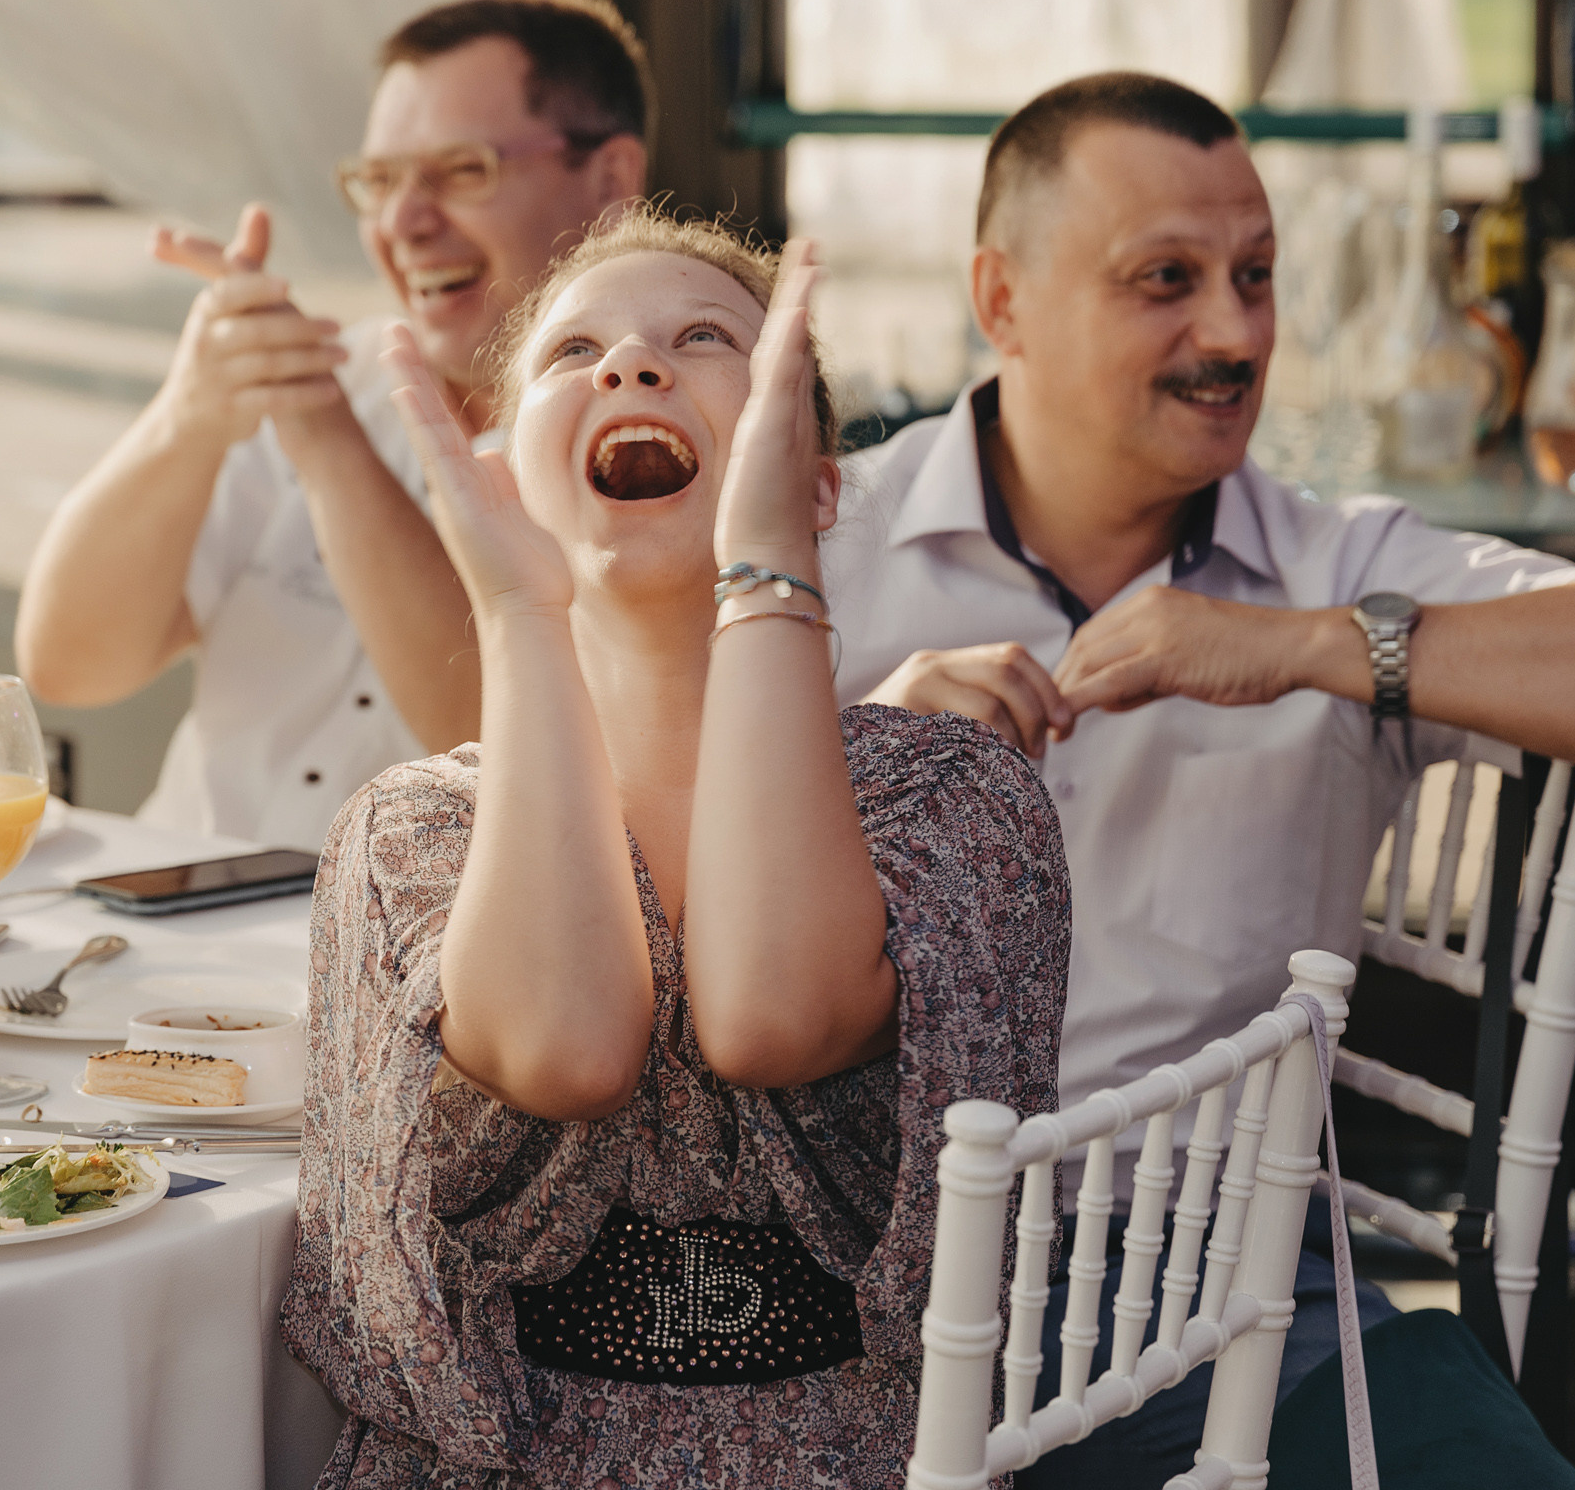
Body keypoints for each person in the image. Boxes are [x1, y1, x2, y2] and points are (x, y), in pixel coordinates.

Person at [821, 72, 1575, 1484]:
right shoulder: (820, 555)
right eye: (1167, 279)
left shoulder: (1332, 572)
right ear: (1004, 298)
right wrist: (864, 755)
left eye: (1256, 276)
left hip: (1215, 1293)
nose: (1234, 334)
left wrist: (1311, 649)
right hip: (845, 1283)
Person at [281, 213, 1071, 1488]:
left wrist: (766, 566)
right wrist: (520, 611)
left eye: (704, 341)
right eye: (573, 351)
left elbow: (770, 1017)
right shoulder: (409, 831)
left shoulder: (951, 794)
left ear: (819, 478)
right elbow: (568, 1045)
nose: (632, 366)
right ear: (505, 476)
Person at [16, 0, 652, 848]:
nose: (404, 222)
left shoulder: (656, 443)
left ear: (610, 181)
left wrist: (325, 439)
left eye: (463, 170)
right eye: (379, 181)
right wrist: (189, 419)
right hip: (170, 913)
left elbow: (494, 736)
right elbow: (69, 665)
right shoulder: (321, 377)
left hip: (406, 962)